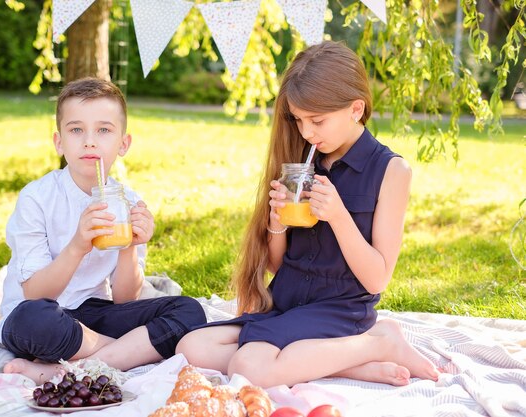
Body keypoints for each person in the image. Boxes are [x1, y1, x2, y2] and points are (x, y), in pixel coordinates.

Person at [176, 41, 439, 388]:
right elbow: (275, 266)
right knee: (191, 347)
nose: (306, 133)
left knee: (249, 367)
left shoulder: (391, 171)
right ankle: (353, 360)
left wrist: (339, 216)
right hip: (288, 302)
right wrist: (276, 225)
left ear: (356, 109)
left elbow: (377, 280)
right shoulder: (301, 164)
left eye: (317, 120)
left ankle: (378, 341)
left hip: (339, 310)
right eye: (298, 120)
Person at [0, 77, 206, 384]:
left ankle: (68, 371)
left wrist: (130, 245)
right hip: (42, 316)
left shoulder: (127, 201)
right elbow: (36, 294)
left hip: (94, 317)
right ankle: (128, 353)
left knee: (189, 311)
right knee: (32, 320)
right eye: (76, 130)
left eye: (104, 130)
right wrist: (79, 245)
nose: (89, 141)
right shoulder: (36, 198)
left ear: (123, 144)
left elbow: (124, 300)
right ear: (59, 142)